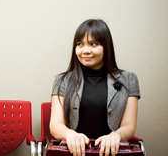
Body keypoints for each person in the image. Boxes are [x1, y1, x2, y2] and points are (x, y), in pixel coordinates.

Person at [50, 19, 140, 156]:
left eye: (93, 44)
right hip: (73, 152)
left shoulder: (128, 79)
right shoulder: (62, 80)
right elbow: (55, 125)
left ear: (106, 46)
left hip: (111, 153)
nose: (85, 50)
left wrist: (116, 136)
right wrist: (70, 135)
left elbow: (129, 125)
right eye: (80, 44)